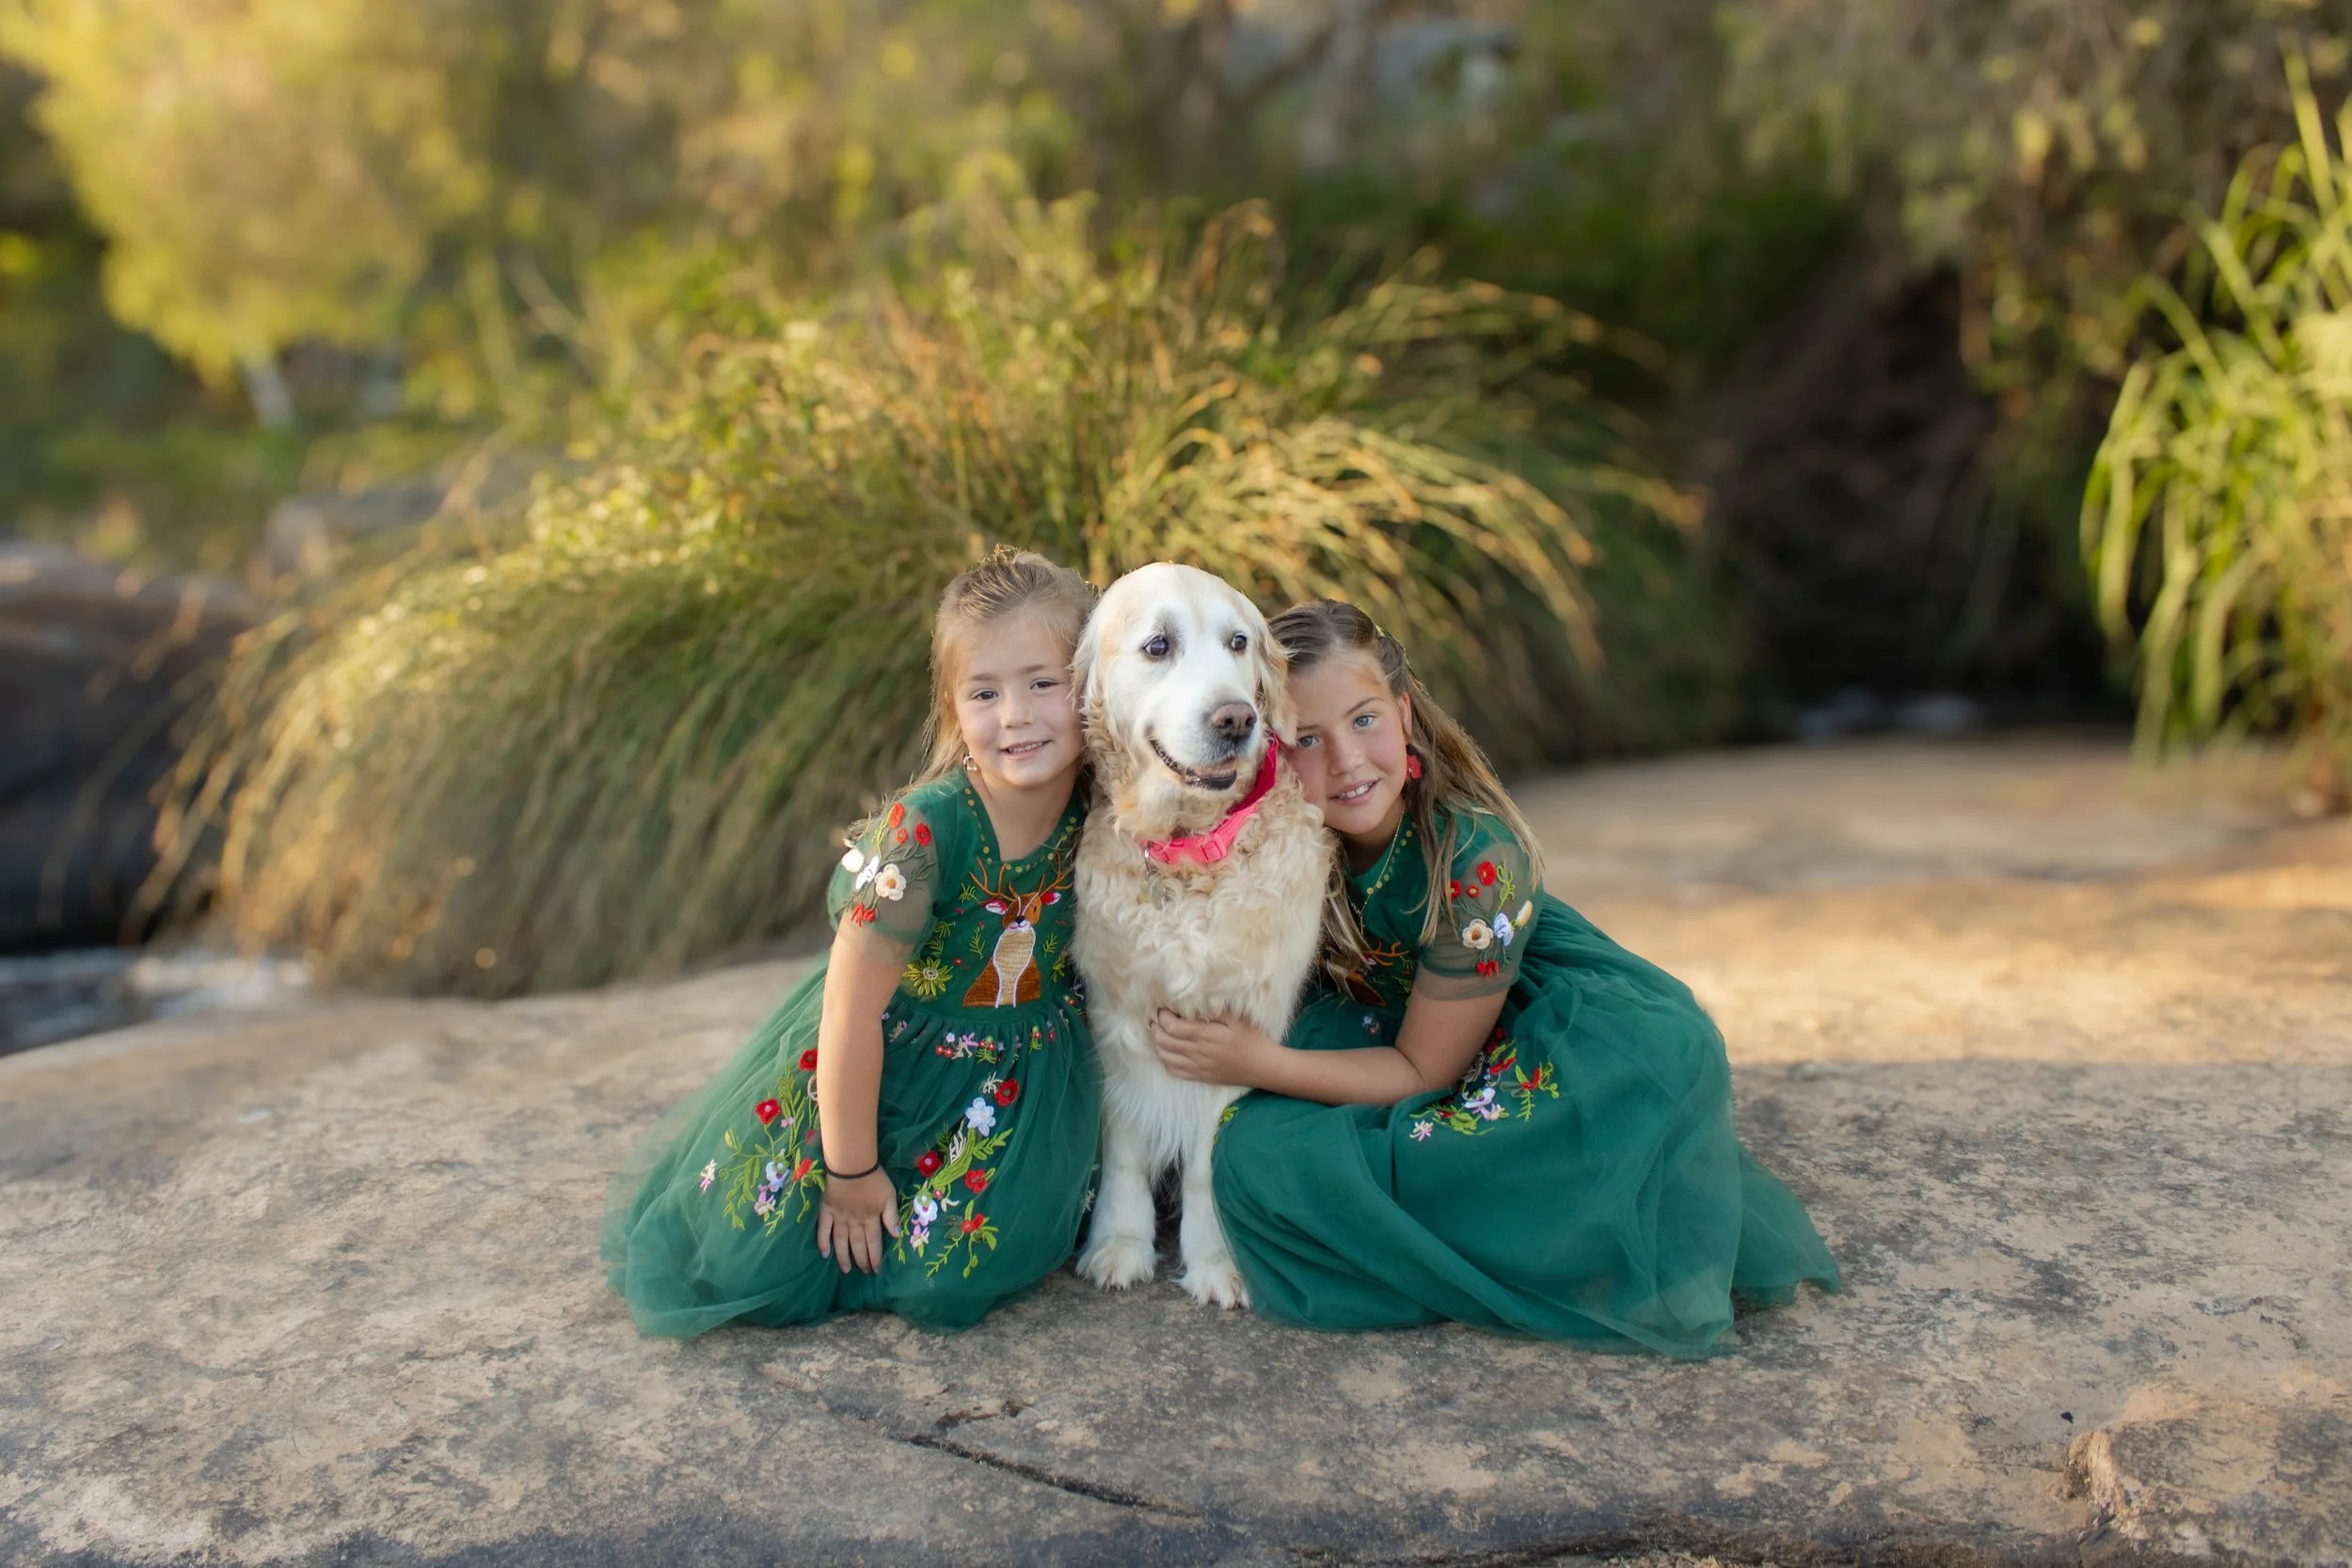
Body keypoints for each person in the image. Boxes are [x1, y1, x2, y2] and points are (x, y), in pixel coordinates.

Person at [1151, 600, 1839, 1354]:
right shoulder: (1274, 832)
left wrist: (1261, 1063)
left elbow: (1424, 1068)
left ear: (1404, 714)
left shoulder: (1478, 857)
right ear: (1269, 751)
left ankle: (1518, 1237)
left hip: (1520, 1036)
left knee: (1541, 1136)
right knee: (1254, 1150)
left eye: (1364, 720)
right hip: (1379, 1020)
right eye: (1307, 738)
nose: (1346, 760)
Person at [602, 549, 1100, 1335]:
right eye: (985, 691)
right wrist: (851, 1170)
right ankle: (849, 1182)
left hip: (1014, 1080)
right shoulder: (925, 832)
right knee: (744, 1258)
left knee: (953, 1277)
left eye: (1044, 682)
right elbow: (848, 1016)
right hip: (883, 1058)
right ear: (952, 707)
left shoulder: (1103, 812)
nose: (1017, 715)